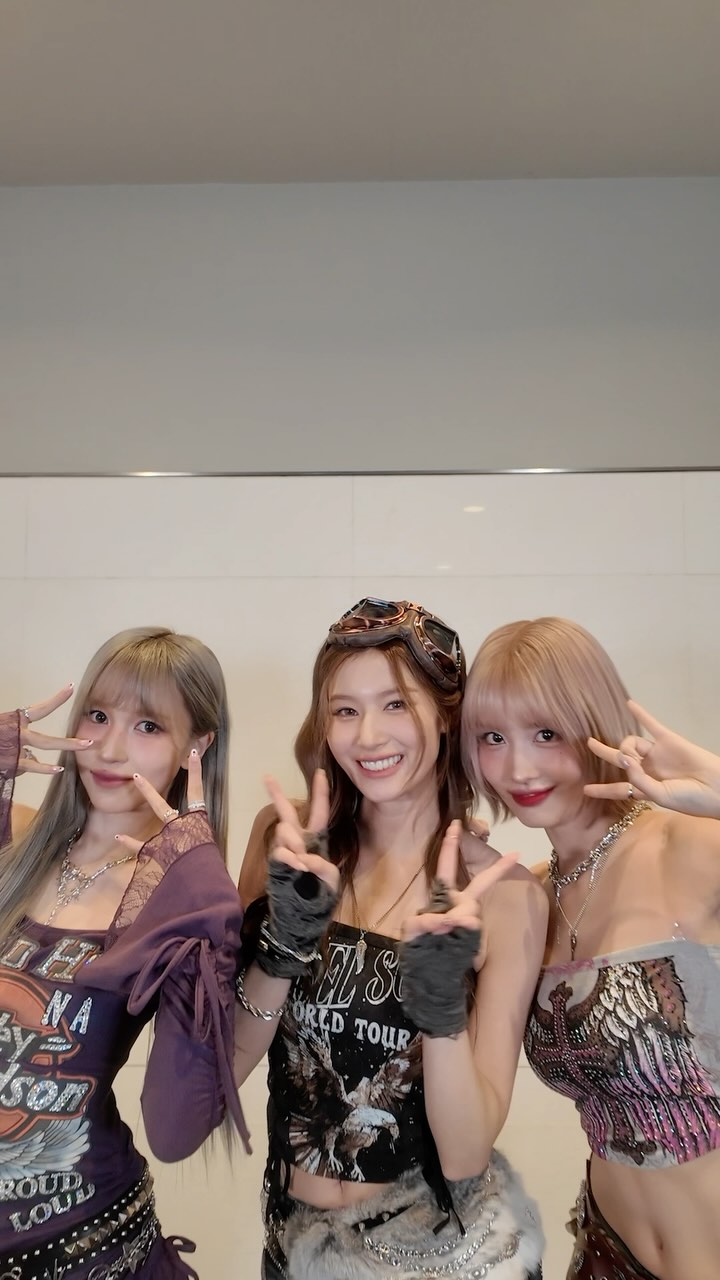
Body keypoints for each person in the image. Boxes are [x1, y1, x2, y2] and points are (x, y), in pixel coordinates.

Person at [236, 598, 547, 1280]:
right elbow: (221, 1073)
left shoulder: (504, 896)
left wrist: (440, 1009)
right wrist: (280, 945)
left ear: (445, 713)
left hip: (436, 1257)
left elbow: (465, 1154)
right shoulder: (287, 846)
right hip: (292, 1248)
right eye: (344, 710)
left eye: (396, 705)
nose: (368, 736)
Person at [461, 616, 720, 1280]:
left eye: (545, 733)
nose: (518, 767)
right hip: (604, 1254)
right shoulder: (525, 900)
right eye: (492, 738)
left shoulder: (686, 845)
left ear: (594, 723)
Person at [0, 626, 249, 1280]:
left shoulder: (174, 901)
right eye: (99, 715)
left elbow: (174, 1131)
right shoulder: (13, 839)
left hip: (91, 1252)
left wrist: (207, 925)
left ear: (197, 746)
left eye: (148, 726)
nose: (110, 749)